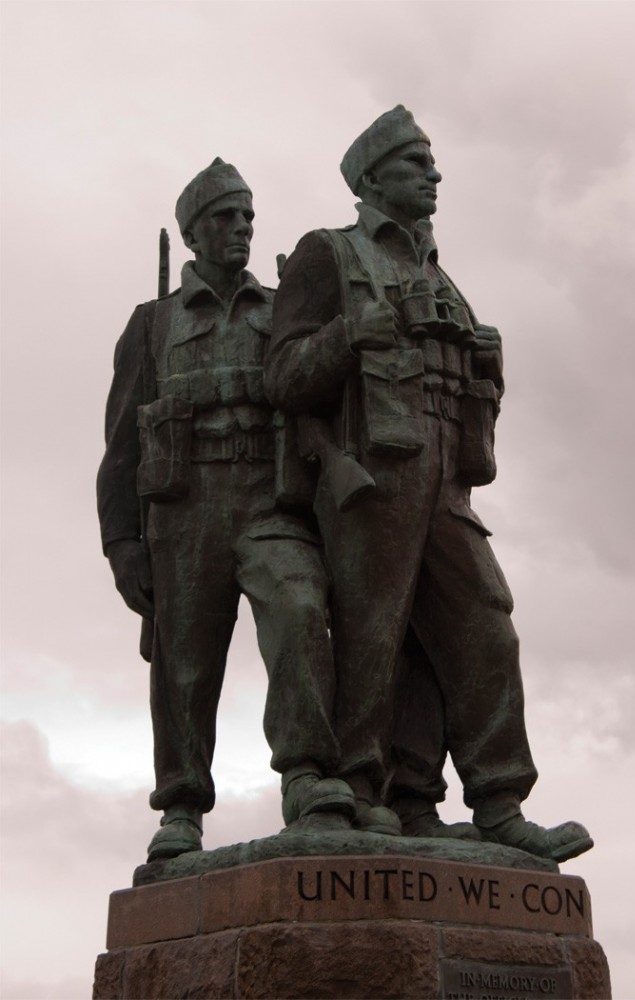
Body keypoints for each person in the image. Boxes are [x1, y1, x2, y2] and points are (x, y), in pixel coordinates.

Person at [265, 107, 593, 861]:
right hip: (374, 474)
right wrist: (352, 335)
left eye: (433, 163)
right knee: (374, 635)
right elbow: (282, 378)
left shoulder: (440, 274)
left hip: (446, 479)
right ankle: (361, 789)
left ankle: (499, 801)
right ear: (373, 178)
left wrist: (487, 363)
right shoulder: (330, 254)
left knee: (484, 622)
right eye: (417, 163)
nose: (435, 175)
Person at [97, 159, 356, 862]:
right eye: (224, 217)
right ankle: (181, 805)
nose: (240, 228)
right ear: (192, 233)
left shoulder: (281, 310)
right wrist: (123, 543)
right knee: (184, 661)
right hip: (184, 512)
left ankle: (307, 775)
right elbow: (121, 446)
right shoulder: (153, 326)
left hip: (269, 500)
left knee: (301, 609)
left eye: (246, 216)